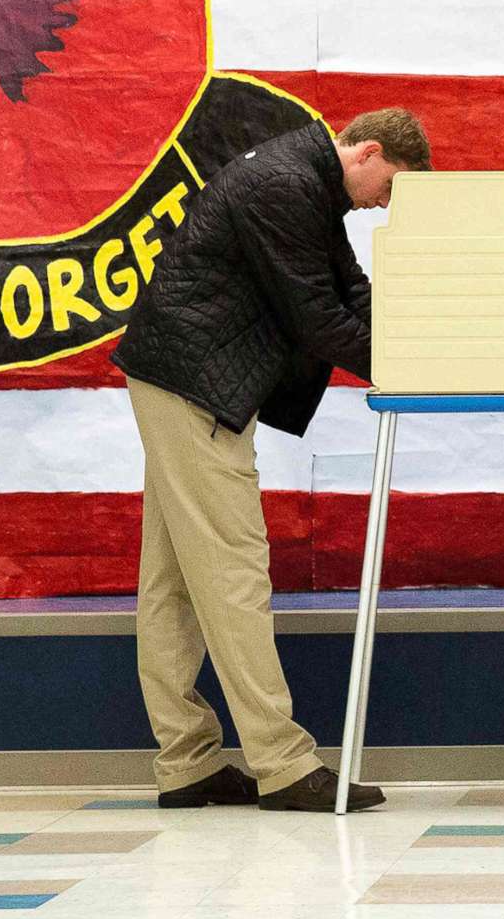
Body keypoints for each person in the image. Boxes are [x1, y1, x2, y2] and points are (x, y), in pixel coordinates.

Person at [113, 107, 433, 814]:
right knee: (233, 569)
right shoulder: (288, 185)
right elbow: (315, 318)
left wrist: (417, 329)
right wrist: (415, 363)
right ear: (369, 151)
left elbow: (348, 288)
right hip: (196, 385)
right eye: (389, 190)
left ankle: (186, 761)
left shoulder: (306, 180)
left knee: (172, 581)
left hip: (182, 376)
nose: (383, 205)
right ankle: (282, 763)